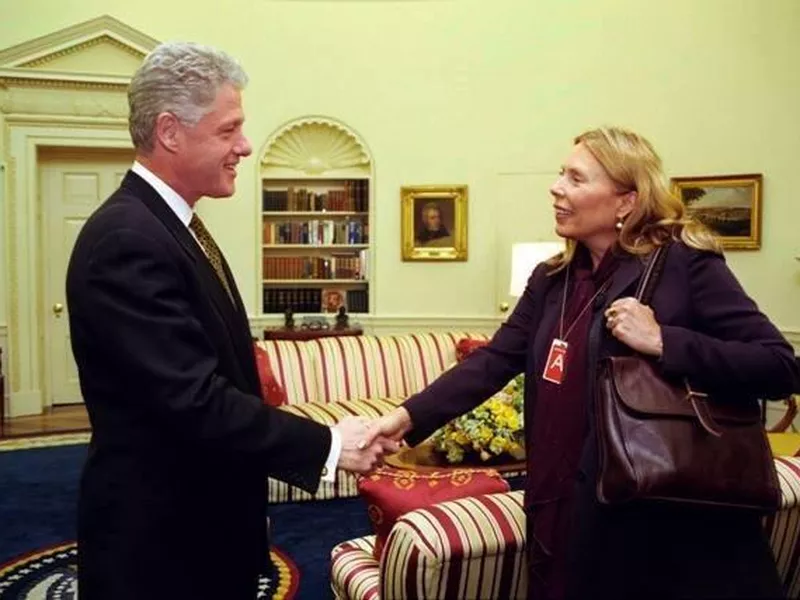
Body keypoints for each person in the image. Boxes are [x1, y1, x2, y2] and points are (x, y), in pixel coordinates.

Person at [375, 126, 800, 599]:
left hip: (658, 524)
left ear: (626, 202)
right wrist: (404, 419)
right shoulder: (551, 279)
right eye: (561, 175)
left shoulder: (684, 263)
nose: (556, 187)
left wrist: (665, 340)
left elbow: (778, 364)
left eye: (576, 178)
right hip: (560, 510)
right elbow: (494, 360)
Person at [66, 42, 394, 600]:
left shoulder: (168, 224)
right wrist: (329, 445)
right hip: (162, 550)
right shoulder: (128, 239)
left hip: (199, 530)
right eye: (229, 130)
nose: (245, 146)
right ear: (170, 131)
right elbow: (191, 399)